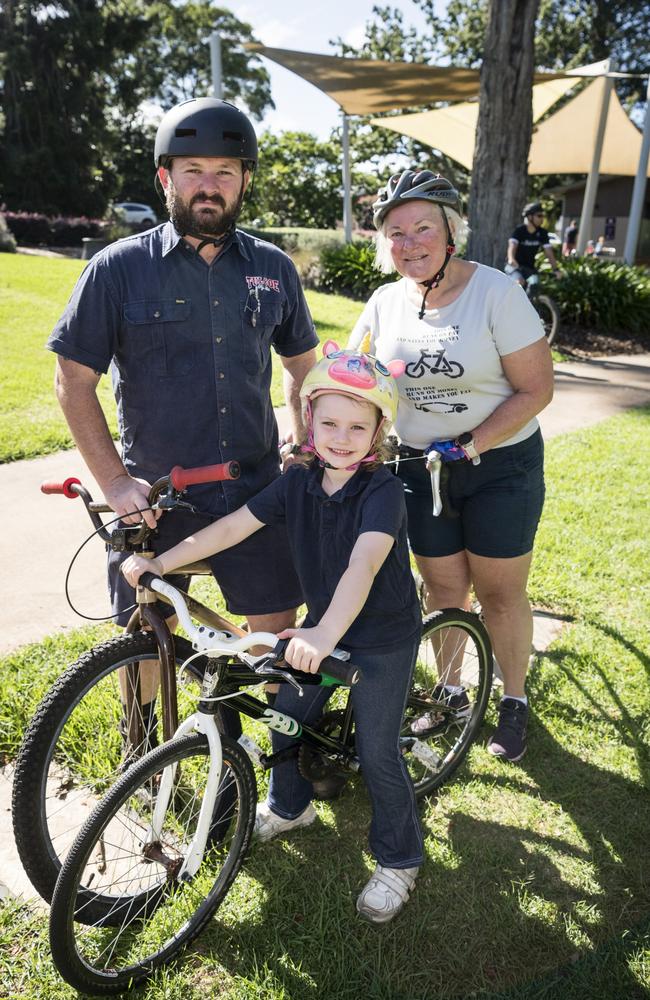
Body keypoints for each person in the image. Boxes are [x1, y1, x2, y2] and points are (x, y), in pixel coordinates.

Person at [122, 344, 424, 925]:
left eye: (358, 426)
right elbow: (234, 526)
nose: (342, 436)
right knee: (287, 713)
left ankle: (399, 859)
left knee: (380, 751)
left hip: (380, 635)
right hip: (323, 627)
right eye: (329, 422)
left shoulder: (382, 492)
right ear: (308, 420)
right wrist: (165, 562)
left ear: (379, 431)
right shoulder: (298, 483)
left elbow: (363, 566)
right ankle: (291, 806)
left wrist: (323, 632)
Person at [47, 97, 319, 739]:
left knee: (276, 636)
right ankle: (142, 749)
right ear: (165, 178)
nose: (209, 185)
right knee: (146, 634)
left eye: (225, 171)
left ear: (245, 180)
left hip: (256, 493)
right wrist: (115, 484)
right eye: (193, 169)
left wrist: (302, 436)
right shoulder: (116, 269)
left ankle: (276, 760)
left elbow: (306, 368)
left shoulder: (273, 270)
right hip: (156, 500)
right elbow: (72, 382)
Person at [348, 169, 554, 763]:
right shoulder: (385, 303)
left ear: (450, 233)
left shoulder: (495, 292)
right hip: (419, 468)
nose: (410, 243)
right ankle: (452, 689)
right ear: (384, 243)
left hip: (500, 463)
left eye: (422, 229)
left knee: (499, 591)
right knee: (443, 588)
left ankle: (513, 698)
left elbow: (536, 390)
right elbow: (357, 378)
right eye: (396, 233)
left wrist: (473, 441)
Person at [506, 201, 562, 285]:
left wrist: (556, 270)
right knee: (519, 283)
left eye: (543, 216)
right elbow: (512, 247)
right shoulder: (519, 231)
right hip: (514, 267)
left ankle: (531, 299)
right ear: (529, 217)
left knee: (534, 283)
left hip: (529, 269)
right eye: (539, 216)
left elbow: (549, 253)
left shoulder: (542, 233)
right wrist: (511, 259)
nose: (542, 219)